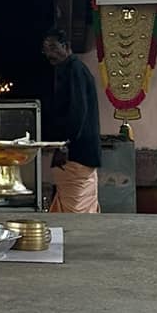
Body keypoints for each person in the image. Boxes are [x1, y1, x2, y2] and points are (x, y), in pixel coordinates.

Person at [42, 28, 102, 213]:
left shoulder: (75, 70)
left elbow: (78, 112)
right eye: (45, 49)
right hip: (76, 153)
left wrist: (64, 145)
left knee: (77, 211)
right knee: (70, 206)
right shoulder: (67, 70)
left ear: (66, 46)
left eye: (53, 47)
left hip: (76, 154)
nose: (49, 54)